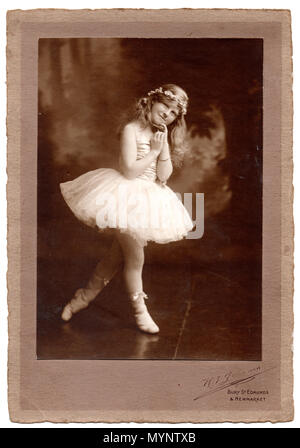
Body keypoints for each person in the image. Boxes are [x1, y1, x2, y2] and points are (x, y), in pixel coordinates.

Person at [60, 84, 193, 334]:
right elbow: (129, 170)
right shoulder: (131, 130)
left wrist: (162, 147)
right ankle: (140, 312)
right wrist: (153, 150)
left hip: (148, 199)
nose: (167, 114)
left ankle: (82, 297)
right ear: (152, 101)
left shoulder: (161, 135)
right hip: (124, 194)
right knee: (135, 257)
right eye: (165, 106)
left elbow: (163, 177)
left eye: (174, 112)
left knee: (114, 257)